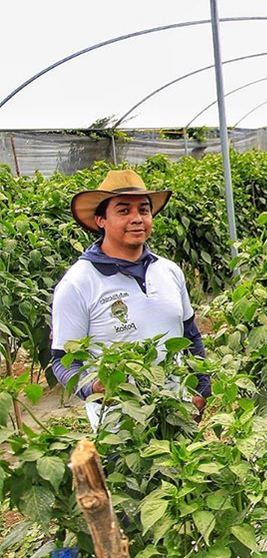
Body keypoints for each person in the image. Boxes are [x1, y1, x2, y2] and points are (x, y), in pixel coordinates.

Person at [50, 169, 210, 429]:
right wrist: (93, 387)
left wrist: (202, 390)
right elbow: (62, 359)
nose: (137, 219)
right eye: (123, 211)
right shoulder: (78, 284)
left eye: (144, 210)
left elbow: (190, 336)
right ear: (101, 219)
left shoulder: (169, 271)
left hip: (178, 414)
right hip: (121, 430)